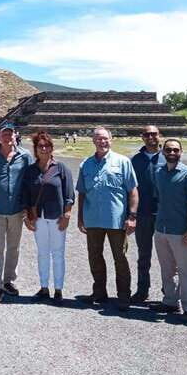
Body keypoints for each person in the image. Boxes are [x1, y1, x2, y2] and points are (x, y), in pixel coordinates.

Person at [76, 126, 139, 310]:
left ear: (111, 140)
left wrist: (132, 216)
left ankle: (124, 296)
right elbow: (82, 193)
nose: (102, 142)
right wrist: (80, 218)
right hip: (93, 219)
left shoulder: (122, 162)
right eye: (98, 139)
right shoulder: (85, 164)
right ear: (93, 141)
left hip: (116, 220)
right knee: (94, 257)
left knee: (120, 258)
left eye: (105, 138)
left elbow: (133, 191)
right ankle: (99, 292)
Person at [0, 121, 35, 303]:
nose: (7, 136)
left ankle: (9, 280)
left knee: (14, 247)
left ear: (15, 135)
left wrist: (30, 208)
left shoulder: (25, 156)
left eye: (10, 133)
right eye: (4, 133)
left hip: (17, 210)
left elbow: (30, 182)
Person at [151, 139, 187, 321]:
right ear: (163, 152)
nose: (172, 153)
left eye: (175, 150)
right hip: (161, 228)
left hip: (180, 230)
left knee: (186, 270)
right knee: (167, 269)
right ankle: (171, 301)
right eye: (168, 150)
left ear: (181, 152)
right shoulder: (159, 172)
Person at [23, 131, 74, 304]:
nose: (44, 149)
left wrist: (67, 214)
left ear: (52, 148)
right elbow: (27, 195)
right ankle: (44, 287)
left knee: (58, 253)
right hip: (38, 218)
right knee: (42, 253)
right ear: (35, 149)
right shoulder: (30, 171)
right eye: (40, 146)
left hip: (57, 216)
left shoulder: (61, 168)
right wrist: (27, 216)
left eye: (47, 146)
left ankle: (58, 289)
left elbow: (69, 194)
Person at [130, 125, 166, 304]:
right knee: (144, 255)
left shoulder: (168, 157)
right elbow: (130, 189)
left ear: (159, 136)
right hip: (143, 214)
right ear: (142, 137)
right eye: (147, 134)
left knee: (167, 257)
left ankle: (170, 294)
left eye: (154, 134)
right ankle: (142, 290)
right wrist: (130, 214)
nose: (151, 137)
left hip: (164, 214)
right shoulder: (135, 160)